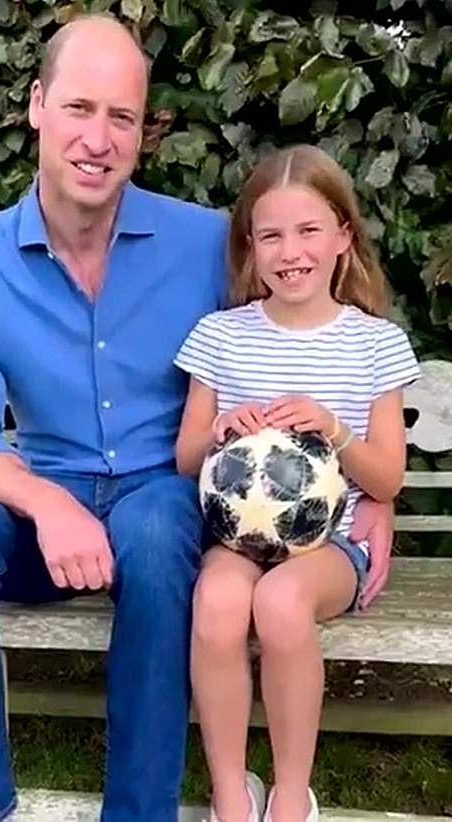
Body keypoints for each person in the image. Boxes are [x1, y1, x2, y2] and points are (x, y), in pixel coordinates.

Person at [0, 12, 394, 821]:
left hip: (164, 491)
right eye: (79, 108)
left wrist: (372, 493)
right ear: (35, 105)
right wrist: (49, 503)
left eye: (121, 117)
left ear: (142, 132)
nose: (98, 138)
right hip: (43, 504)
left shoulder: (204, 244)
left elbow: (310, 341)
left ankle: (139, 812)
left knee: (159, 529)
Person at [174, 144, 420, 822]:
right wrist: (222, 425)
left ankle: (289, 796)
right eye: (272, 235)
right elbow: (186, 455)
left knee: (282, 604)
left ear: (343, 236)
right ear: (250, 246)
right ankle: (230, 791)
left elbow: (389, 477)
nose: (292, 252)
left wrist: (335, 431)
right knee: (219, 603)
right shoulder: (220, 336)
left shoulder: (375, 344)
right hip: (240, 538)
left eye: (310, 230)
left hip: (333, 547)